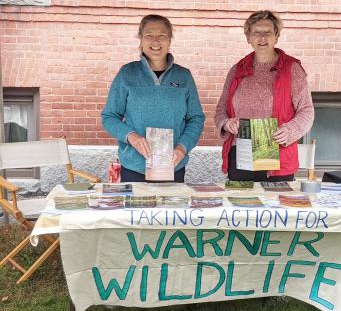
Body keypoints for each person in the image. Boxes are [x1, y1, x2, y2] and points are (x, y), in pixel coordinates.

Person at [102, 14, 205, 183]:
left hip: (173, 166)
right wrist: (131, 136)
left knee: (171, 210)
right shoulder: (127, 74)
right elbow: (109, 117)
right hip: (134, 168)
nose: (155, 41)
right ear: (141, 40)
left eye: (162, 36)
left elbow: (196, 118)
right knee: (136, 210)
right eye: (149, 35)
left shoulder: (184, 76)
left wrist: (182, 147)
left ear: (170, 40)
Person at [214, 10, 314, 182]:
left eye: (268, 32)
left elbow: (306, 111)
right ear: (248, 38)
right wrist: (226, 123)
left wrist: (290, 131)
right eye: (256, 33)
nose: (262, 38)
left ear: (276, 36)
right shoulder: (237, 70)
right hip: (241, 155)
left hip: (277, 155)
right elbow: (221, 110)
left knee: (276, 206)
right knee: (242, 206)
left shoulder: (292, 69)